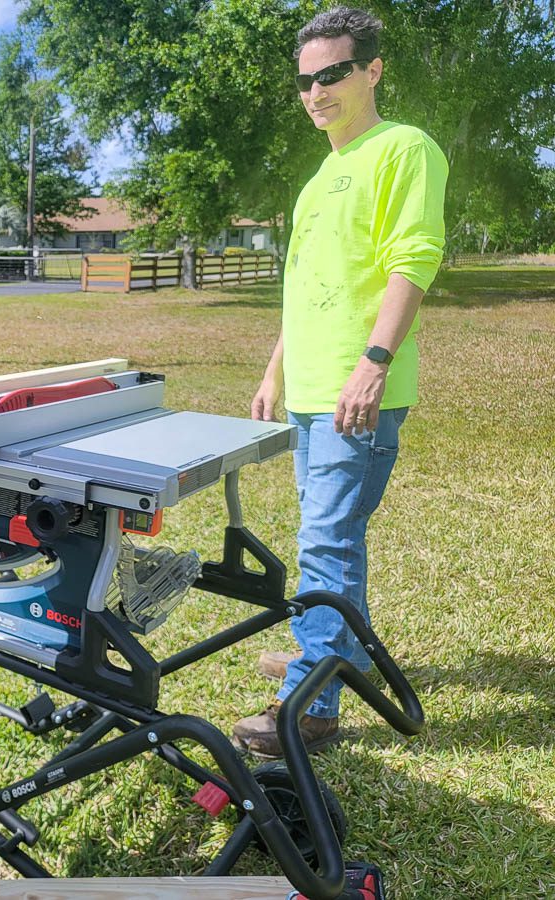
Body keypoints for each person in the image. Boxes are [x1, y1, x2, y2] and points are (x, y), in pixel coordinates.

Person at [231, 6, 447, 760]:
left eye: (331, 74)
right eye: (305, 81)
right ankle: (335, 657)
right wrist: (274, 369)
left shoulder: (405, 148)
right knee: (331, 540)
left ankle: (313, 707)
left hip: (360, 390)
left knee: (324, 544)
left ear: (371, 70)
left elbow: (414, 258)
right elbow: (305, 284)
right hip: (312, 392)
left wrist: (374, 364)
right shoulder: (321, 174)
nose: (315, 92)